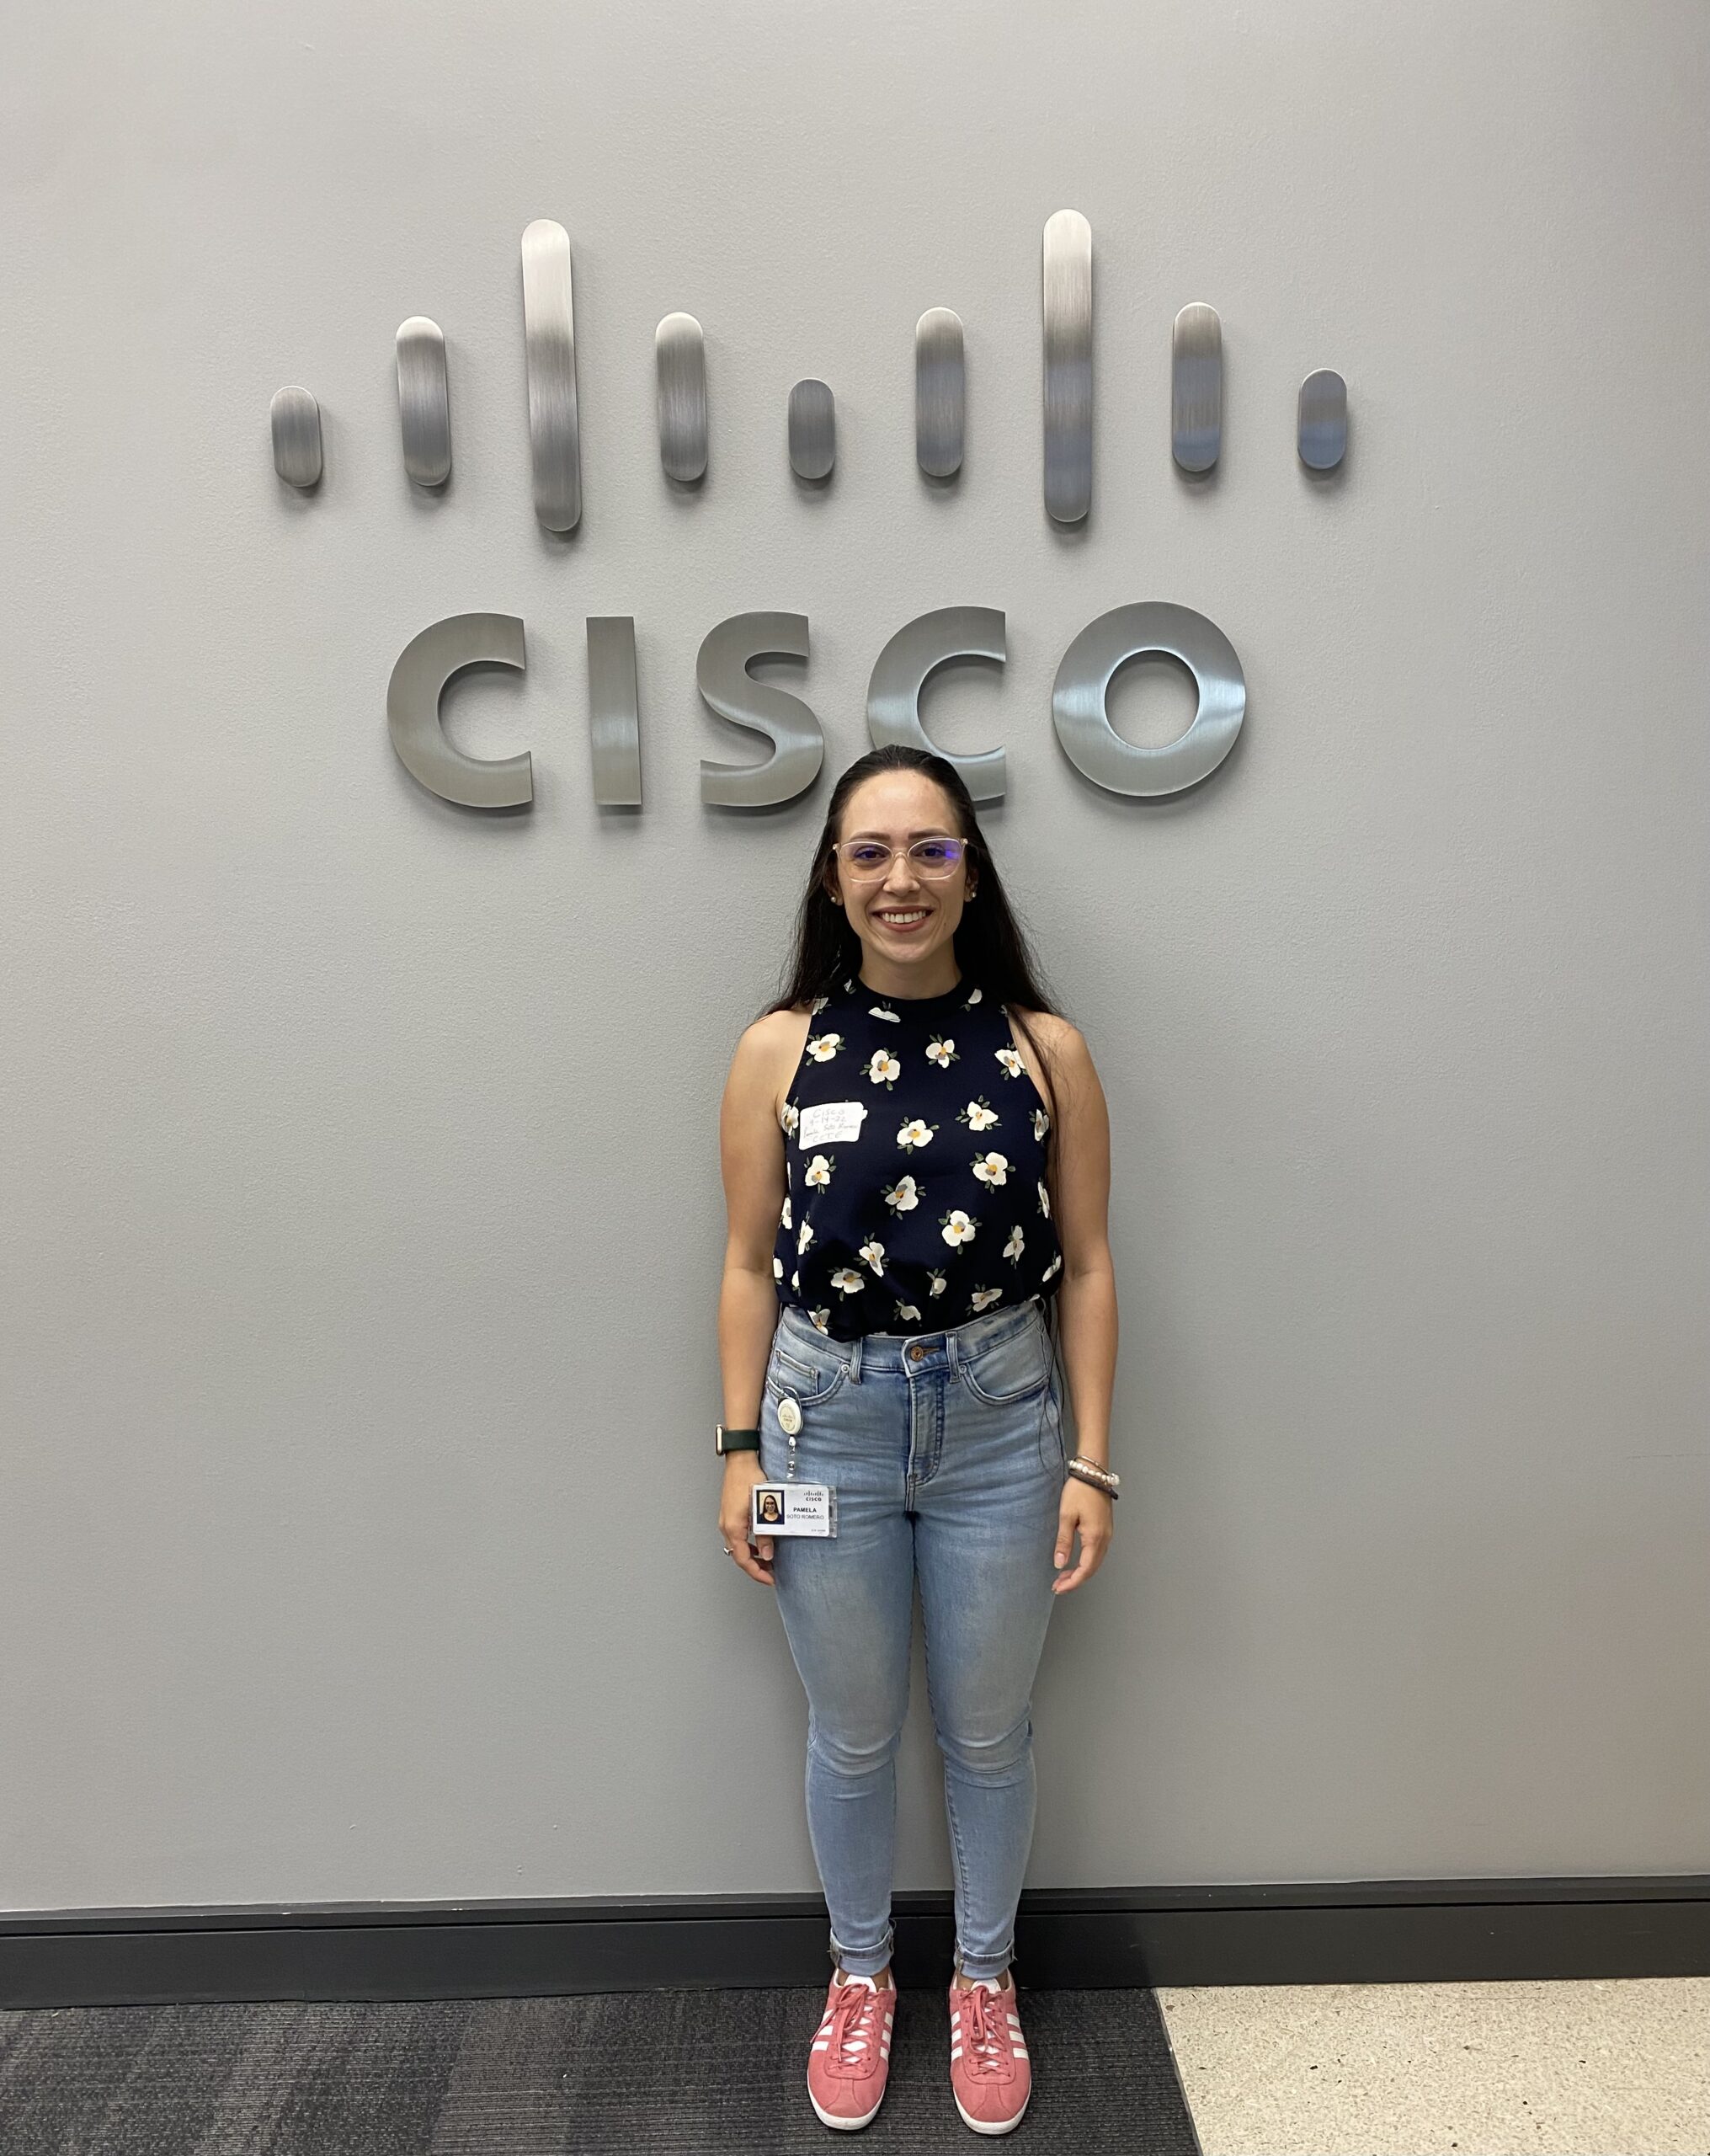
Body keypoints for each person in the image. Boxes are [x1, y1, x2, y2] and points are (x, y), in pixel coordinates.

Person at [716, 744, 1118, 2135]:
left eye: (930, 850)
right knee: (849, 1733)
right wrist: (735, 1452)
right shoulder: (779, 1046)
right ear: (833, 877)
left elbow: (1092, 1265)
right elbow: (746, 1269)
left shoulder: (1042, 1049)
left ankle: (985, 1982)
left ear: (969, 870)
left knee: (989, 1734)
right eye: (871, 852)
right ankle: (864, 1976)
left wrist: (1090, 1462)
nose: (902, 879)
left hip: (1005, 1430)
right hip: (821, 1424)